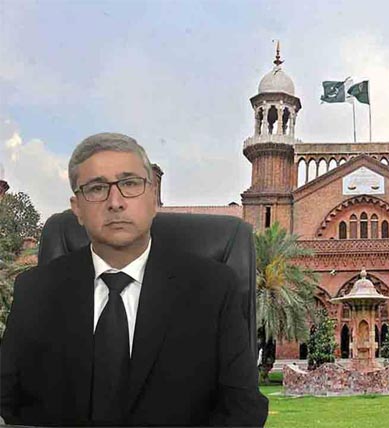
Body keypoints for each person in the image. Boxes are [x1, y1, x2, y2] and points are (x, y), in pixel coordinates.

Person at [0, 133, 268, 426]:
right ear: (77, 209)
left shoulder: (213, 288)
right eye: (97, 188)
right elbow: (7, 400)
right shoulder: (36, 290)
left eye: (129, 184)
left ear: (153, 198)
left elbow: (243, 409)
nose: (115, 202)